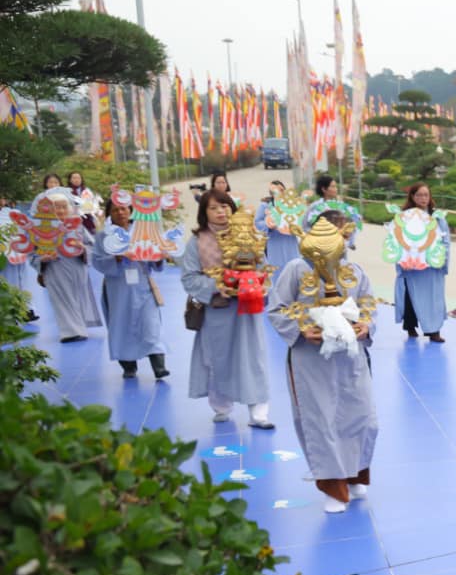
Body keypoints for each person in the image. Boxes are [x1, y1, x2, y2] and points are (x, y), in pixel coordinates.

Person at [268, 210, 379, 513]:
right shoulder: (296, 269)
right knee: (321, 420)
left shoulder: (354, 271)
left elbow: (369, 305)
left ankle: (356, 473)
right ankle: (332, 487)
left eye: (343, 235)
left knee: (363, 417)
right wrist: (302, 329)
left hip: (351, 358)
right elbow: (276, 308)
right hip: (311, 360)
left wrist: (366, 326)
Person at [180, 190, 274, 429]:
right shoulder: (197, 241)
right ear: (204, 213)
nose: (220, 212)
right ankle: (221, 407)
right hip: (217, 312)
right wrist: (218, 285)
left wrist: (257, 283)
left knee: (253, 359)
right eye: (213, 208)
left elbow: (263, 268)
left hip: (248, 309)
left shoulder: (250, 235)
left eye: (224, 206)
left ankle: (258, 413)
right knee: (217, 359)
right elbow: (189, 278)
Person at [87, 194, 168, 380]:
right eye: (115, 210)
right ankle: (128, 366)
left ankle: (159, 366)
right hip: (118, 289)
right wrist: (116, 258)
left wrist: (159, 258)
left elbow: (155, 259)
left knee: (150, 324)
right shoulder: (103, 236)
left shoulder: (144, 232)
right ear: (109, 213)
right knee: (121, 326)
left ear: (131, 210)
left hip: (143, 286)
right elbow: (97, 261)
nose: (120, 212)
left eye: (123, 208)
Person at [29, 184, 102, 343]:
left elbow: (92, 246)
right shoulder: (40, 229)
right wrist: (41, 259)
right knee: (61, 298)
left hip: (77, 267)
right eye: (56, 207)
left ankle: (80, 327)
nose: (60, 211)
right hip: (54, 269)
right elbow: (31, 252)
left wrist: (83, 249)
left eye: (63, 207)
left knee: (78, 297)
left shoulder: (78, 227)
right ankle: (70, 332)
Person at [395, 182, 450, 342]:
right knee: (410, 295)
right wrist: (403, 260)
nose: (423, 198)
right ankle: (410, 326)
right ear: (412, 197)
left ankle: (434, 331)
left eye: (426, 195)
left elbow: (445, 241)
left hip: (431, 266)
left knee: (433, 298)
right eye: (419, 195)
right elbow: (397, 239)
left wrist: (442, 260)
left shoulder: (437, 217)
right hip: (412, 265)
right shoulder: (404, 217)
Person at [254, 179, 302, 274]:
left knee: (293, 266)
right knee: (276, 268)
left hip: (290, 241)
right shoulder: (265, 206)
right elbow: (258, 222)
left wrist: (294, 225)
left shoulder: (293, 205)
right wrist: (268, 225)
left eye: (281, 190)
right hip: (275, 242)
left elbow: (300, 220)